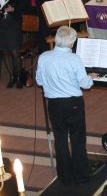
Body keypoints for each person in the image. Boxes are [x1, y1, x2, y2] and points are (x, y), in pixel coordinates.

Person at [36, 25, 100, 185]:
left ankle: (64, 175)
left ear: (57, 39)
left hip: (54, 104)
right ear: (72, 42)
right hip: (73, 104)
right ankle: (82, 175)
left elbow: (39, 81)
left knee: (60, 138)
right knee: (77, 138)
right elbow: (85, 84)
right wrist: (91, 77)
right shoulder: (74, 59)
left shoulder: (44, 57)